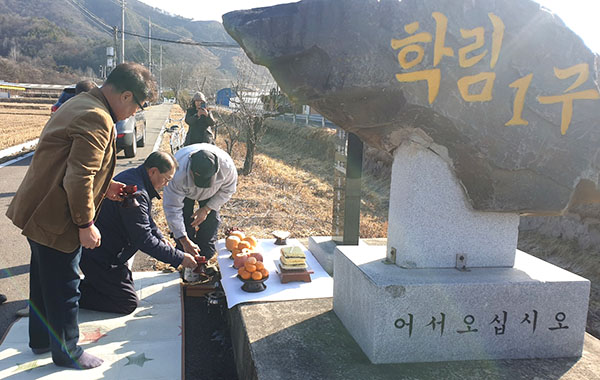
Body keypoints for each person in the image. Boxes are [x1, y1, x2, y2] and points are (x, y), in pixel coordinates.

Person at [6, 62, 156, 370]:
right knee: (65, 286)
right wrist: (86, 224)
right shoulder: (98, 117)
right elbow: (79, 177)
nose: (134, 113)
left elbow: (71, 163)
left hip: (40, 208)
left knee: (43, 282)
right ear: (126, 95)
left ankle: (41, 340)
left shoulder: (81, 102)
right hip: (56, 217)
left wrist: (108, 186)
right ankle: (68, 351)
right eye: (138, 106)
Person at [78, 151, 199, 315]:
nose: (166, 184)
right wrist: (180, 258)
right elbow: (143, 239)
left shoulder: (135, 178)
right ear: (153, 171)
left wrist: (160, 236)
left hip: (108, 251)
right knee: (126, 302)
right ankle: (70, 294)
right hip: (99, 255)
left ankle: (85, 285)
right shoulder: (137, 193)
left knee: (123, 283)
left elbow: (145, 220)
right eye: (166, 179)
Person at [163, 143, 237, 259]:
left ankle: (205, 257)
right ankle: (185, 257)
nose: (201, 186)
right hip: (184, 192)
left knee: (210, 223)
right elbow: (172, 209)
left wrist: (207, 209)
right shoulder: (177, 172)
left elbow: (228, 191)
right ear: (191, 171)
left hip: (212, 193)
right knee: (185, 220)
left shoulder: (226, 167)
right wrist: (184, 240)